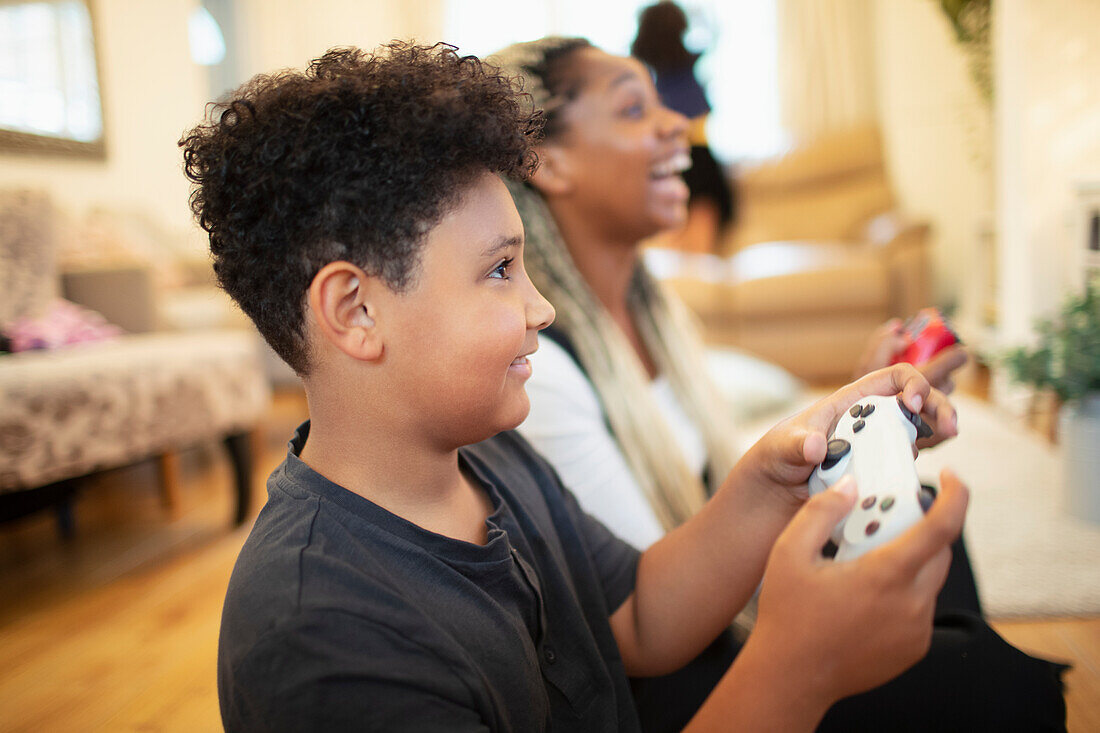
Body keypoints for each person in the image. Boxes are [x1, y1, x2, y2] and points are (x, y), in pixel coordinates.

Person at [179, 41, 1032, 732]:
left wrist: (775, 474)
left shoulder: (494, 459)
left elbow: (639, 618)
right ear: (355, 310)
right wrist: (795, 667)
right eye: (500, 271)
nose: (542, 306)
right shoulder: (320, 637)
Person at [492, 36, 1065, 731]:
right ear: (547, 161)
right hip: (674, 673)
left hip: (715, 607)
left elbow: (717, 489)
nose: (676, 123)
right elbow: (659, 601)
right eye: (635, 109)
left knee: (923, 523)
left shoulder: (654, 312)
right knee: (989, 678)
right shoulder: (543, 368)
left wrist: (857, 411)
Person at [631, 0, 732, 254]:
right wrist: (701, 15)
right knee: (702, 218)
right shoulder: (686, 63)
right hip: (697, 156)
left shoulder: (649, 74)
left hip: (672, 159)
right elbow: (715, 33)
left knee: (680, 226)